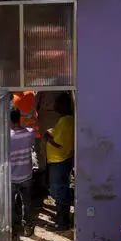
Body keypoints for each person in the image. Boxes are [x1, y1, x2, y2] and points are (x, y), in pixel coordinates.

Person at [43, 93, 76, 230]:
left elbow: (60, 143)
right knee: (60, 189)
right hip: (62, 160)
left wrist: (48, 139)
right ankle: (63, 221)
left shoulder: (66, 121)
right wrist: (51, 133)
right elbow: (58, 133)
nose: (54, 106)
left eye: (57, 103)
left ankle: (62, 223)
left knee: (58, 191)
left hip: (59, 160)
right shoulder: (66, 120)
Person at [9, 107, 37, 241]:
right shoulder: (30, 134)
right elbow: (32, 123)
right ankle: (27, 227)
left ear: (9, 120)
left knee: (10, 203)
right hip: (26, 175)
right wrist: (25, 115)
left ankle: (13, 227)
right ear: (19, 118)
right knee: (27, 203)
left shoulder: (7, 137)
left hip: (12, 177)